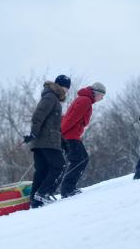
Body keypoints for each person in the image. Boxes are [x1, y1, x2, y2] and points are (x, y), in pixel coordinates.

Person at [23, 74, 71, 208]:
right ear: (61, 86)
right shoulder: (51, 97)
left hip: (42, 140)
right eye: (66, 88)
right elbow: (38, 114)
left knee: (42, 169)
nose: (67, 91)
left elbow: (53, 125)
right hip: (46, 140)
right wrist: (33, 132)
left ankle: (35, 200)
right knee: (59, 165)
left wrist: (63, 142)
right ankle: (43, 193)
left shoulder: (51, 96)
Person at [59, 82, 106, 198]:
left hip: (71, 135)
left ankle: (69, 188)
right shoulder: (85, 101)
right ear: (97, 93)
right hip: (70, 135)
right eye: (102, 95)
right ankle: (67, 189)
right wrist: (61, 133)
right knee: (80, 160)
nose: (102, 98)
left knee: (80, 159)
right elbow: (71, 119)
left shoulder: (84, 100)